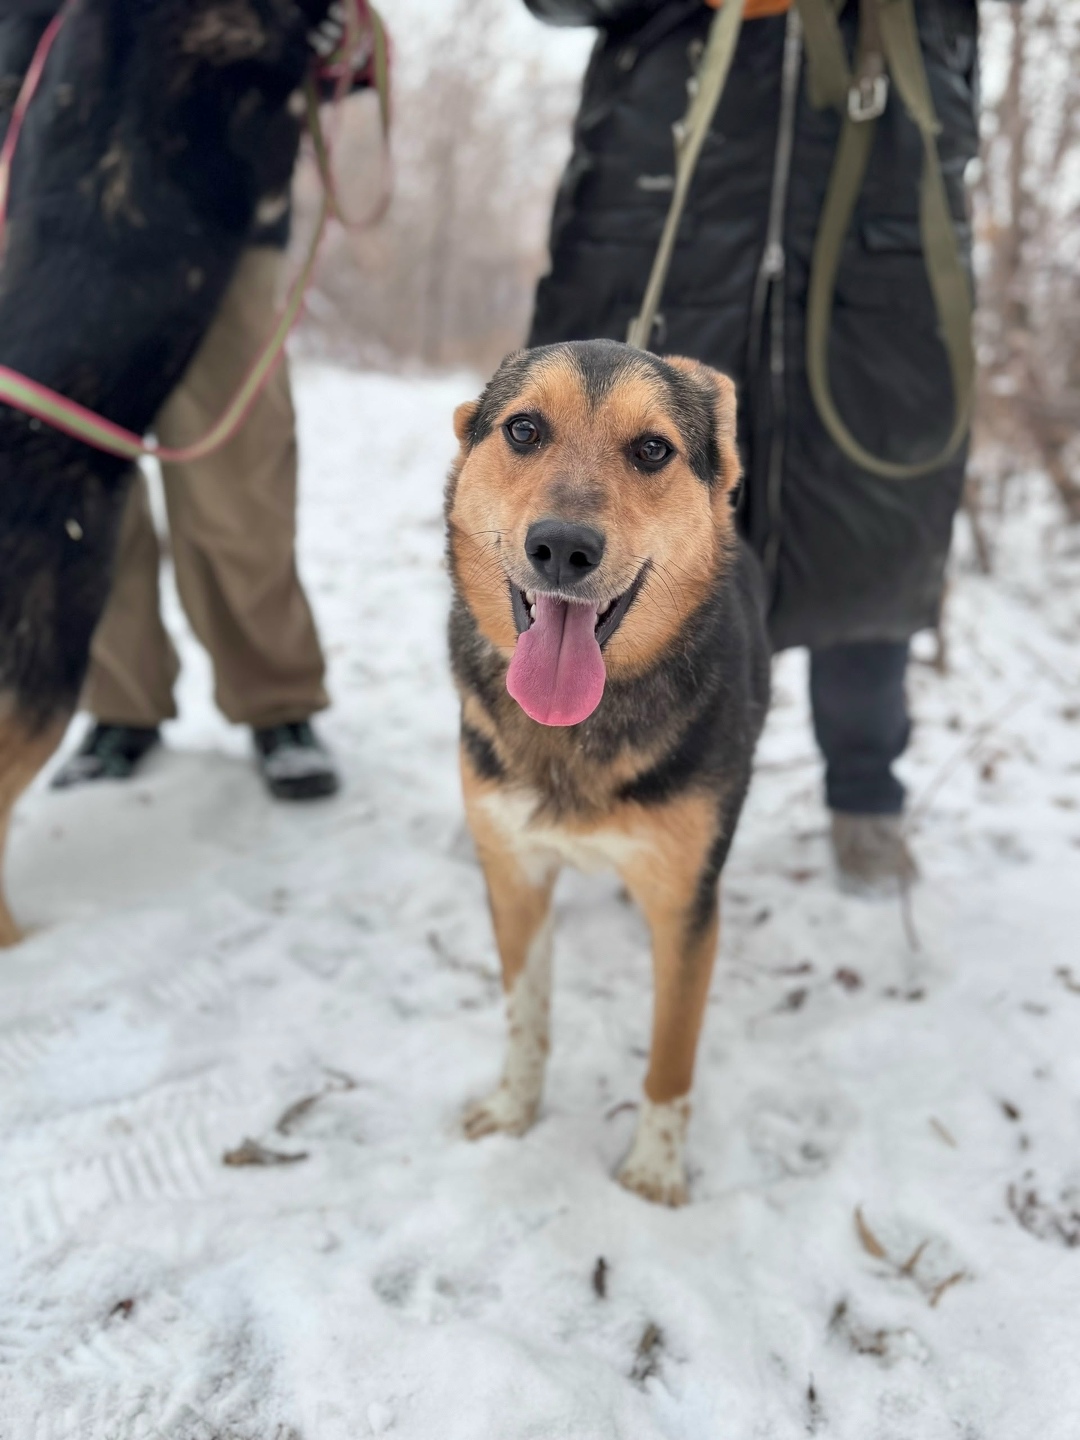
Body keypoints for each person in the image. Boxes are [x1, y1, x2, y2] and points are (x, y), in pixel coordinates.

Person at [522, 0, 981, 891]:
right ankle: (600, 796)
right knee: (615, 542)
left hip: (879, 235)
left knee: (872, 540)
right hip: (660, 228)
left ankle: (866, 793)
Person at [19, 2, 363, 802]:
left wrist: (336, 39)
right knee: (78, 476)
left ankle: (275, 701)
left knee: (239, 474)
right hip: (67, 211)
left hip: (226, 205)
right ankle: (118, 703)